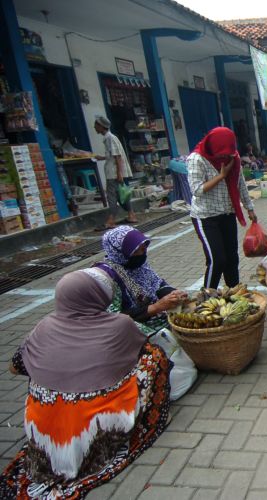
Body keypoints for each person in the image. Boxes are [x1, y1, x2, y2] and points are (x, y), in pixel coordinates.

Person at [1, 269, 171, 498]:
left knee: (37, 371)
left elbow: (14, 368)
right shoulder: (119, 325)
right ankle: (134, 420)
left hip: (45, 438)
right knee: (153, 357)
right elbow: (138, 350)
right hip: (94, 432)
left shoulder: (43, 327)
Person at [187, 127, 257, 289]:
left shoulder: (234, 157)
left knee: (232, 258)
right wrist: (221, 176)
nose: (225, 156)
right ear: (213, 146)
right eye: (222, 153)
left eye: (228, 153)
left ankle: (234, 294)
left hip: (227, 213)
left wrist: (250, 208)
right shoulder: (197, 159)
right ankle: (206, 297)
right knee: (218, 260)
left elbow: (240, 184)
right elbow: (196, 190)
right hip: (206, 216)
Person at [95, 226, 187, 334]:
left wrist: (172, 294)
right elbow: (113, 317)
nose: (142, 254)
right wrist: (155, 307)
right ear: (121, 252)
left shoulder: (139, 266)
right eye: (137, 251)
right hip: (130, 329)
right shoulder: (107, 276)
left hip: (154, 318)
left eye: (144, 249)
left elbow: (156, 283)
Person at [93, 116, 137, 230]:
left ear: (101, 126)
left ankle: (111, 220)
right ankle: (131, 214)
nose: (94, 127)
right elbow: (112, 156)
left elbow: (117, 157)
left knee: (112, 196)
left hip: (113, 173)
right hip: (114, 172)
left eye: (96, 125)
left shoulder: (110, 138)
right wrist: (102, 158)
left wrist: (119, 173)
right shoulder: (109, 138)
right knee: (121, 194)